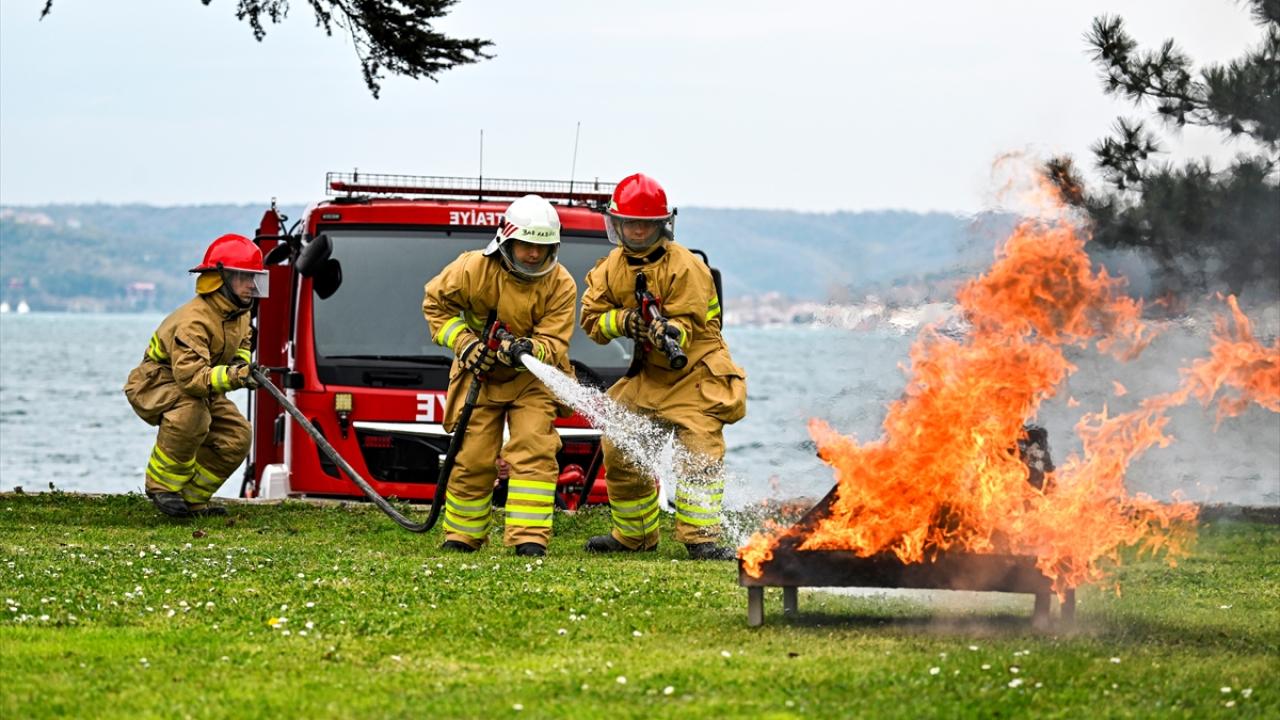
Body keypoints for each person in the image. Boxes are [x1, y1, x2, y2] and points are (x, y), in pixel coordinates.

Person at [580, 173, 748, 560]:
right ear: (616, 223)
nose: (638, 231)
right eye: (631, 224)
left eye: (646, 224)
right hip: (648, 375)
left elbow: (690, 325)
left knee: (700, 451)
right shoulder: (609, 269)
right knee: (620, 443)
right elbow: (592, 320)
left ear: (662, 225)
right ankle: (633, 535)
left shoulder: (686, 266)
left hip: (695, 371)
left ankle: (701, 539)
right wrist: (624, 322)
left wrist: (667, 330)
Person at [422, 194, 577, 557]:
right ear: (507, 239)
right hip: (481, 373)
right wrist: (465, 344)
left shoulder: (561, 283)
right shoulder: (472, 269)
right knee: (472, 456)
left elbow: (554, 341)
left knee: (534, 452)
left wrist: (528, 349)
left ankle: (529, 540)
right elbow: (435, 306)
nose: (534, 255)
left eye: (542, 246)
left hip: (533, 382)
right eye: (526, 245)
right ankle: (462, 536)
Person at [123, 234, 268, 518]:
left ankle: (191, 500)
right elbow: (190, 378)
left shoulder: (238, 314)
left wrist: (243, 369)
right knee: (192, 414)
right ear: (221, 278)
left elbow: (242, 345)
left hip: (202, 386)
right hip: (159, 382)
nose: (252, 285)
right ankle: (163, 487)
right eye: (244, 277)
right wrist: (237, 376)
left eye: (254, 277)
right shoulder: (195, 320)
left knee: (238, 435)